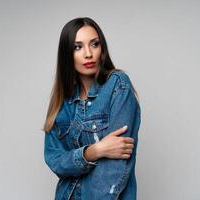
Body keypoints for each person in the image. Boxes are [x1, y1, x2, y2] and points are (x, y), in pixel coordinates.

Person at [43, 17, 141, 200]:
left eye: (94, 44)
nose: (88, 54)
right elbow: (55, 160)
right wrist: (94, 151)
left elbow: (116, 164)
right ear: (67, 54)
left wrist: (78, 158)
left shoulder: (118, 86)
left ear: (101, 48)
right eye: (77, 47)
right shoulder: (62, 100)